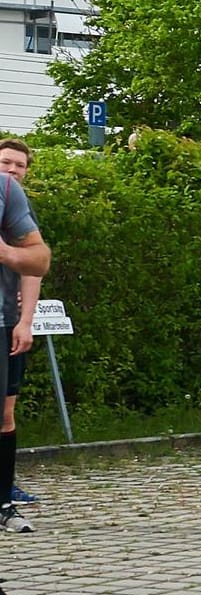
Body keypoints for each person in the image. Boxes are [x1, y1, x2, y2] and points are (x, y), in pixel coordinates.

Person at [0, 148, 50, 538]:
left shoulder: (13, 203)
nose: (13, 170)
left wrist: (26, 320)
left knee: (6, 412)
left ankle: (4, 496)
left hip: (7, 321)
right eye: (6, 163)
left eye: (20, 164)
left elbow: (35, 267)